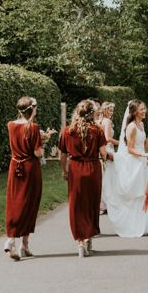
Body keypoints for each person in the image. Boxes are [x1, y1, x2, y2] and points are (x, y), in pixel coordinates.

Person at [58, 100, 108, 257]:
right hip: (93, 169)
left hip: (76, 169)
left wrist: (64, 170)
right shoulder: (97, 130)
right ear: (92, 113)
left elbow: (63, 155)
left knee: (77, 204)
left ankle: (80, 241)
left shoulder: (67, 131)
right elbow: (104, 153)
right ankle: (88, 239)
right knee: (92, 203)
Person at [102, 100, 148, 237]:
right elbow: (130, 149)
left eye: (144, 109)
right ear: (134, 111)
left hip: (141, 162)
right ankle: (132, 225)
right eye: (141, 109)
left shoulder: (141, 125)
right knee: (134, 194)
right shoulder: (131, 127)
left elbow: (144, 145)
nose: (144, 111)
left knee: (143, 193)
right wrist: (145, 155)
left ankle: (142, 224)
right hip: (134, 163)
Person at [4, 96, 45, 260]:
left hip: (15, 166)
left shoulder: (10, 125)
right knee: (30, 203)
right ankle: (23, 244)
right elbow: (37, 152)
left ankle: (12, 240)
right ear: (32, 110)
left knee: (15, 201)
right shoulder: (33, 128)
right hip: (30, 167)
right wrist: (42, 143)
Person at [99, 102, 117, 215]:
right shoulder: (107, 121)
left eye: (112, 110)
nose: (111, 112)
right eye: (109, 110)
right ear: (105, 111)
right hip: (108, 149)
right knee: (109, 178)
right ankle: (106, 203)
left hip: (102, 149)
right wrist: (123, 143)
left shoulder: (99, 121)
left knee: (104, 177)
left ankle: (102, 204)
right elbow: (108, 138)